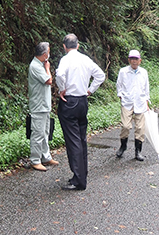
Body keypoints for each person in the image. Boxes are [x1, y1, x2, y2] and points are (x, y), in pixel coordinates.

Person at [55, 33, 105, 191]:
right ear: (77, 45)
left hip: (69, 101)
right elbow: (100, 75)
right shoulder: (85, 59)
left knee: (73, 140)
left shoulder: (65, 59)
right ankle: (82, 174)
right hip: (83, 101)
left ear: (64, 47)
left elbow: (59, 74)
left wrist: (62, 89)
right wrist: (90, 90)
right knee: (81, 138)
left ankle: (78, 180)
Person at [28, 42, 59, 171]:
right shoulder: (35, 66)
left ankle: (45, 157)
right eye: (48, 52)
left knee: (45, 132)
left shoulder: (39, 64)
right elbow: (49, 80)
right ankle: (35, 160)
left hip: (44, 105)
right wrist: (48, 68)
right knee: (38, 133)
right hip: (38, 105)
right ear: (45, 54)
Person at [116, 49, 150, 161]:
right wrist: (121, 95)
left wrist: (146, 102)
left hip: (140, 102)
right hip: (127, 102)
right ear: (129, 60)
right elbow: (119, 85)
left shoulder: (144, 72)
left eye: (136, 59)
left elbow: (146, 88)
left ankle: (138, 151)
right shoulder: (123, 71)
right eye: (132, 59)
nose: (134, 61)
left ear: (140, 60)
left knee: (140, 128)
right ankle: (123, 145)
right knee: (126, 126)